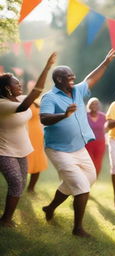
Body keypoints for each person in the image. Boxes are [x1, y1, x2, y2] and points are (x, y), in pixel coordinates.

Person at [40, 49, 115, 237]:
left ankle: (49, 208)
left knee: (88, 178)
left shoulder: (77, 91)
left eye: (73, 76)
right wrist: (64, 115)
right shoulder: (50, 97)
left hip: (78, 148)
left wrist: (105, 62)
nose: (73, 78)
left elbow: (91, 78)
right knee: (81, 188)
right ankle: (78, 229)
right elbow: (44, 118)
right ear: (58, 80)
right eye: (68, 77)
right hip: (58, 149)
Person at [0, 53, 56, 227]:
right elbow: (24, 106)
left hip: (23, 150)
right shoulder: (2, 104)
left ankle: (7, 218)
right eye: (16, 83)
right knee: (16, 183)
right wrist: (46, 68)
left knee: (21, 184)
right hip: (4, 151)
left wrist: (47, 69)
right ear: (7, 88)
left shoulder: (21, 98)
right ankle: (5, 220)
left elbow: (36, 93)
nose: (20, 84)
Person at [27, 100, 48, 193]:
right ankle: (17, 188)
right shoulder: (23, 101)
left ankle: (31, 188)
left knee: (37, 161)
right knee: (26, 160)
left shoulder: (39, 102)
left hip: (38, 135)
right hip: (27, 133)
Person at [85, 97, 106, 176]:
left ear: (99, 106)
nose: (94, 105)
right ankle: (87, 179)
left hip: (100, 143)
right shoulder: (84, 116)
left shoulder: (104, 117)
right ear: (88, 106)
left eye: (96, 104)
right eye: (92, 104)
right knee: (89, 162)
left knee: (98, 163)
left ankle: (94, 179)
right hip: (88, 143)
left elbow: (108, 128)